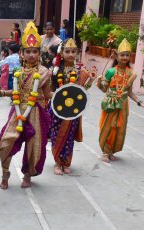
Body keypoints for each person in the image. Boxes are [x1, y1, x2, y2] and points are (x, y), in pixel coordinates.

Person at [0, 21, 52, 189]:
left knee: (34, 146)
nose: (32, 55)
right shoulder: (18, 72)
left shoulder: (44, 72)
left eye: (35, 51)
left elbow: (48, 94)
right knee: (5, 142)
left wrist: (65, 96)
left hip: (36, 111)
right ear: (22, 53)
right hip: (18, 110)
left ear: (39, 53)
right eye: (28, 51)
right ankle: (5, 174)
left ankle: (27, 175)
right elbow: (15, 93)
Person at [49, 38, 96, 174]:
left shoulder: (82, 72)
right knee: (56, 135)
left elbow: (83, 91)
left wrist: (91, 80)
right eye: (67, 51)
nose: (70, 54)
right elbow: (51, 90)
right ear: (61, 53)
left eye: (73, 51)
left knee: (69, 136)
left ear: (77, 53)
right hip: (58, 109)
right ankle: (58, 162)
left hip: (73, 110)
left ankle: (66, 162)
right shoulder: (55, 71)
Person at [97, 39, 144, 163]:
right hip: (111, 103)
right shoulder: (111, 71)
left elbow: (129, 92)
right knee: (108, 127)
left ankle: (112, 150)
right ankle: (105, 151)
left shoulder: (131, 73)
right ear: (116, 56)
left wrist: (138, 101)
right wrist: (98, 83)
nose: (125, 57)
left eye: (127, 55)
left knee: (119, 129)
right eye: (122, 54)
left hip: (123, 105)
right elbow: (104, 89)